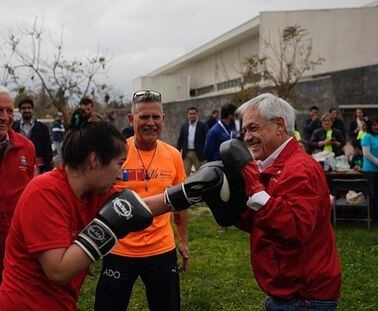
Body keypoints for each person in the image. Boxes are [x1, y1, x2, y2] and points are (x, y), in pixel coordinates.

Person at [0, 107, 217, 311]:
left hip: (61, 303)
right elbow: (58, 270)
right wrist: (107, 227)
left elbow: (137, 206)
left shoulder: (96, 192)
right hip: (24, 304)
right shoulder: (44, 193)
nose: (121, 173)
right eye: (119, 163)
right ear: (94, 160)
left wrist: (187, 191)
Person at [233, 93, 341, 310]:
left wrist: (254, 187)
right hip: (287, 291)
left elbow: (295, 228)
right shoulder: (274, 165)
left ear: (279, 125)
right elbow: (260, 223)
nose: (246, 137)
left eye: (253, 128)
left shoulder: (300, 169)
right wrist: (226, 202)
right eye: (245, 131)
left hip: (304, 296)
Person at [95, 90, 189, 311]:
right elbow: (96, 200)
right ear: (131, 119)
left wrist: (183, 240)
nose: (150, 123)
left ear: (163, 120)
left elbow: (180, 202)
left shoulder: (173, 155)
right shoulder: (115, 153)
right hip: (119, 250)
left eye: (156, 117)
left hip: (161, 250)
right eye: (144, 117)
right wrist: (92, 246)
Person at [0, 86, 36, 283]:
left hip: (16, 243)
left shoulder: (26, 147)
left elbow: (33, 194)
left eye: (9, 111)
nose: (5, 117)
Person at [13, 97, 53, 173]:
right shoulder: (13, 128)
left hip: (38, 169)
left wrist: (47, 170)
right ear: (20, 110)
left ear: (33, 110)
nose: (26, 110)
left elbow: (48, 152)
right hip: (18, 168)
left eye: (29, 108)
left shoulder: (43, 128)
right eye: (24, 108)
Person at [361, 118, 378, 221]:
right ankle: (369, 215)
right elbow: (367, 154)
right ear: (370, 126)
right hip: (370, 170)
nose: (376, 127)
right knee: (370, 193)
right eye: (374, 125)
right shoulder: (367, 137)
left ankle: (377, 215)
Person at [177, 107, 208, 176]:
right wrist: (177, 151)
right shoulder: (184, 126)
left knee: (201, 174)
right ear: (188, 115)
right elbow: (181, 140)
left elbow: (206, 140)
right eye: (190, 114)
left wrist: (205, 153)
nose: (192, 115)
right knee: (185, 174)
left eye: (194, 114)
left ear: (197, 114)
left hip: (198, 153)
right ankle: (186, 186)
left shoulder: (202, 126)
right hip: (187, 153)